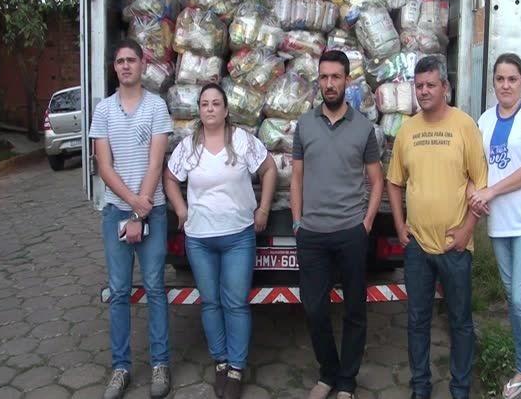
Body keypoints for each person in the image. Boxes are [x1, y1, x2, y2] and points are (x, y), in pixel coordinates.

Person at [164, 83, 277, 399]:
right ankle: (221, 362)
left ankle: (237, 369)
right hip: (199, 239)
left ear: (226, 110)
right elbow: (171, 179)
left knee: (235, 302)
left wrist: (264, 208)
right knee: (211, 301)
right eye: (204, 104)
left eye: (216, 103)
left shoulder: (242, 141)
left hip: (238, 236)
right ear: (199, 111)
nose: (210, 108)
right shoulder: (188, 147)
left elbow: (269, 169)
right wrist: (181, 209)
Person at [386, 55, 487, 399]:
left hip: (455, 247)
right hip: (417, 247)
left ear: (446, 87)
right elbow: (394, 182)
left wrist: (467, 231)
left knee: (460, 322)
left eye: (431, 85)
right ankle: (420, 388)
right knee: (416, 322)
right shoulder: (407, 130)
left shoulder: (465, 126)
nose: (424, 91)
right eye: (419, 86)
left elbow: (480, 184)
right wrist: (400, 226)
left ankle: (460, 389)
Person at [290, 49, 384, 399]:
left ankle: (347, 381)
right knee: (314, 309)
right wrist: (298, 223)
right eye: (324, 77)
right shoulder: (304, 124)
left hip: (350, 233)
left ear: (347, 80)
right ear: (319, 80)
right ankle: (327, 373)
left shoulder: (363, 128)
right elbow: (296, 178)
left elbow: (377, 181)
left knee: (355, 310)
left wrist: (367, 222)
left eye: (336, 77)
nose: (329, 84)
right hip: (312, 234)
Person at [89, 39, 173, 399]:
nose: (125, 66)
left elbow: (157, 163)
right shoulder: (103, 111)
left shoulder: (156, 106)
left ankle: (160, 364)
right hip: (116, 213)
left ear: (142, 64)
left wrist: (142, 208)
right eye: (119, 61)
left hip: (151, 212)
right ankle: (121, 368)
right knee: (120, 291)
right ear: (115, 67)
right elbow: (103, 167)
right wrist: (131, 205)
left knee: (154, 287)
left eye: (131, 60)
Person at [470, 53, 521, 399]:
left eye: (512, 79)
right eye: (500, 79)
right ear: (493, 82)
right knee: (512, 298)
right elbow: (473, 166)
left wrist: (492, 190)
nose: (505, 85)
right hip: (500, 222)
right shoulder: (484, 121)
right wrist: (475, 192)